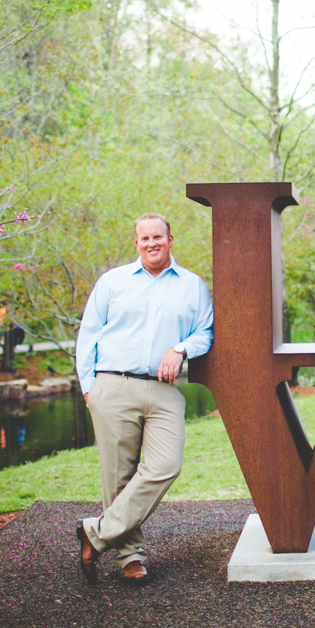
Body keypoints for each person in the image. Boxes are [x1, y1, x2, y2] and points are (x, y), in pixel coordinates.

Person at [74, 212, 213, 584]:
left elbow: (205, 333)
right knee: (118, 476)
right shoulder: (113, 282)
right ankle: (130, 557)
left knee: (166, 464)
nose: (151, 243)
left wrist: (181, 348)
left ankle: (95, 533)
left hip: (164, 390)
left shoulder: (192, 285)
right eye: (144, 239)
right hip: (112, 385)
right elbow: (88, 335)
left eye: (158, 237)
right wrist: (89, 387)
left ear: (171, 239)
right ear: (136, 243)